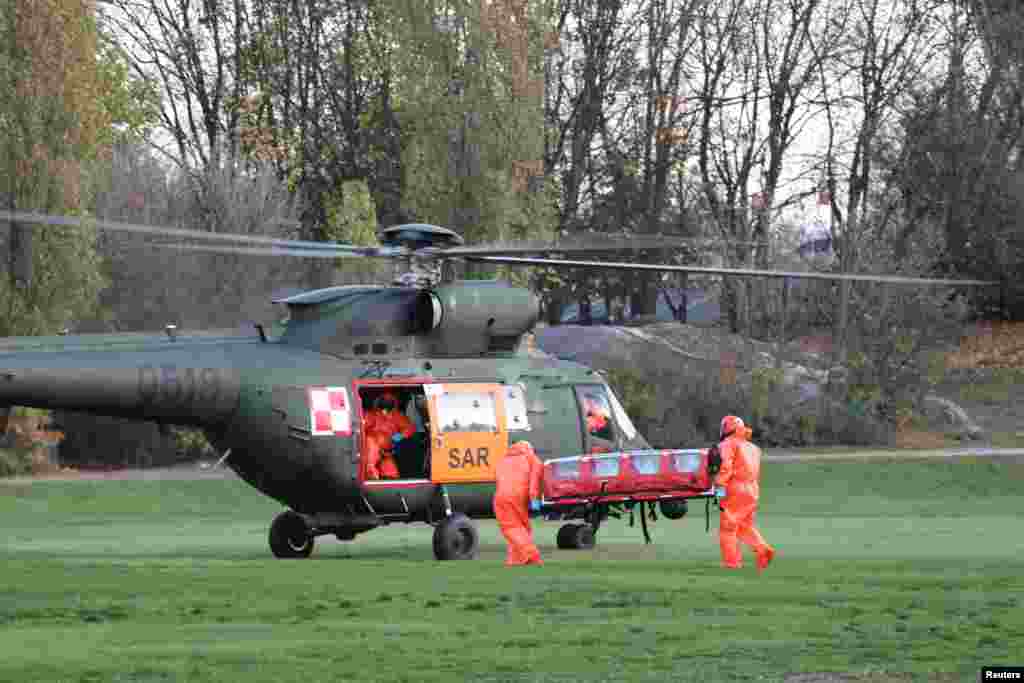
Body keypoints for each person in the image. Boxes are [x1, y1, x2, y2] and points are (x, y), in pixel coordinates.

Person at [714, 415, 776, 572]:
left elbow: (725, 468)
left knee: (727, 528)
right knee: (744, 525)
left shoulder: (727, 445)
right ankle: (762, 549)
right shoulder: (753, 448)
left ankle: (731, 563)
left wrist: (719, 488)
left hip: (735, 489)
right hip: (752, 490)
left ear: (727, 428)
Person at [493, 440, 544, 566]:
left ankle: (519, 559)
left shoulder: (503, 460)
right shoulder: (532, 460)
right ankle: (529, 556)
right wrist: (535, 502)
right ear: (530, 449)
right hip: (518, 496)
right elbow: (534, 484)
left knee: (512, 528)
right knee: (518, 528)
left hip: (500, 496)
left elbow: (497, 478)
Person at [364, 391, 416, 480]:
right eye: (384, 400)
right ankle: (371, 473)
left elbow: (409, 428)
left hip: (387, 451)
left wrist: (399, 436)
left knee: (391, 475)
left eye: (389, 400)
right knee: (370, 469)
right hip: (372, 448)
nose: (386, 402)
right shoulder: (370, 415)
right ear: (378, 401)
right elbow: (361, 426)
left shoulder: (398, 416)